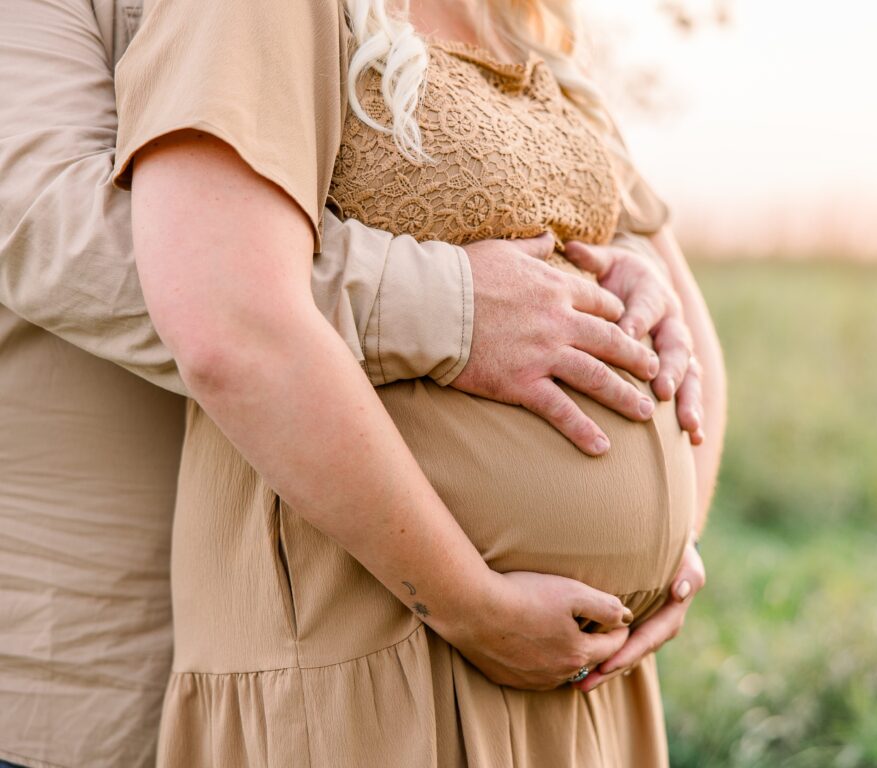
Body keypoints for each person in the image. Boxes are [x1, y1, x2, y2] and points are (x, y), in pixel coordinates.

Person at [0, 1, 719, 767]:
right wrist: (451, 310)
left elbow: (611, 222)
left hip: (547, 661)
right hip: (177, 641)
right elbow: (49, 223)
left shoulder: (508, 17)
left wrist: (665, 547)